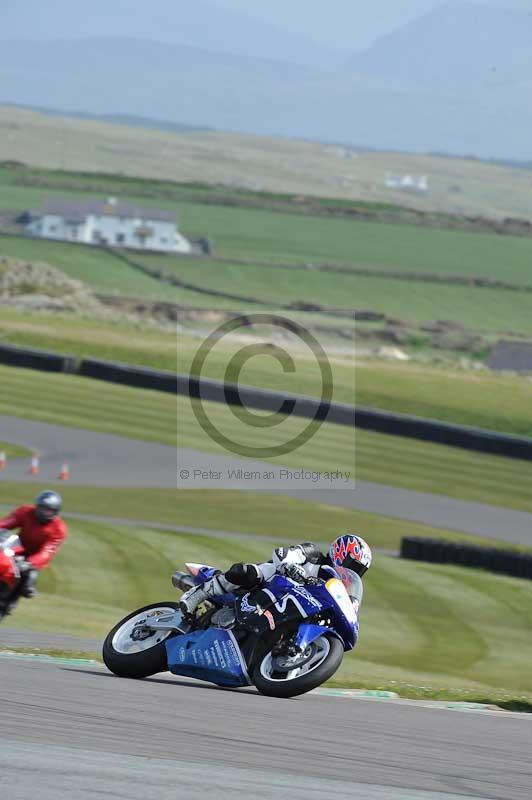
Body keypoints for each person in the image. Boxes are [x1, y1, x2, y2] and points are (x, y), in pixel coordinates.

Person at [179, 534, 372, 618]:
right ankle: (196, 595)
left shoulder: (337, 586)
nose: (354, 571)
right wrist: (290, 566)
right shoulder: (313, 554)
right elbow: (282, 554)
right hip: (272, 581)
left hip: (291, 606)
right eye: (353, 565)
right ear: (341, 552)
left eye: (359, 570)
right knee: (248, 572)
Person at [0, 490, 67, 608]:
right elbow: (7, 522)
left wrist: (30, 563)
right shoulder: (25, 512)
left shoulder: (58, 529)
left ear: (55, 512)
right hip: (17, 548)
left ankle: (8, 603)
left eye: (48, 510)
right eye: (42, 508)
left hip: (33, 558)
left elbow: (46, 552)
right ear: (37, 506)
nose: (44, 513)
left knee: (28, 583)